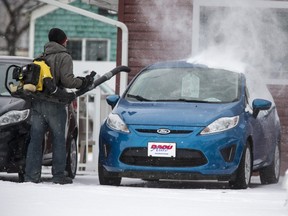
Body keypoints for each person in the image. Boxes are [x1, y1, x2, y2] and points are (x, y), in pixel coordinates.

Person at [24, 28, 93, 184]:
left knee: (35, 140)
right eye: (66, 39)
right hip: (55, 104)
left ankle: (31, 176)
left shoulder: (40, 57)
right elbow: (68, 81)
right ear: (62, 40)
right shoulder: (64, 57)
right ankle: (58, 175)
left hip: (37, 103)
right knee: (59, 140)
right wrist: (83, 81)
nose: (67, 41)